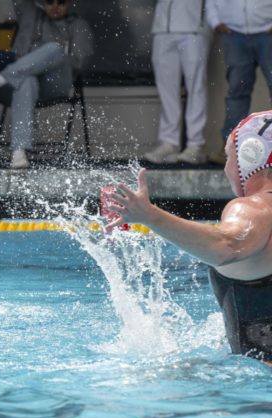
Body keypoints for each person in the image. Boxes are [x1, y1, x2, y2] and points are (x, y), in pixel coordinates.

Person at [106, 110, 272, 362]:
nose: (226, 167)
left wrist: (150, 216)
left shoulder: (254, 209)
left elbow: (225, 246)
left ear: (250, 156)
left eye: (229, 156)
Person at [0, 0, 94, 169]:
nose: (55, 7)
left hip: (53, 83)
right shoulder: (30, 14)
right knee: (27, 80)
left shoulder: (77, 24)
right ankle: (18, 152)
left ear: (69, 3)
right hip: (19, 86)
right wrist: (30, 68)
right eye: (49, 2)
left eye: (61, 2)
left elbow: (80, 62)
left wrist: (46, 62)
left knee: (54, 48)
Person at [143, 0, 211, 165]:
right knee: (166, 89)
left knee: (196, 88)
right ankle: (169, 142)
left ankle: (195, 144)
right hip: (162, 27)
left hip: (194, 26)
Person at [205, 0, 272, 165]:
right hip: (234, 34)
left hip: (267, 32)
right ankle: (231, 148)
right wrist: (215, 22)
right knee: (237, 91)